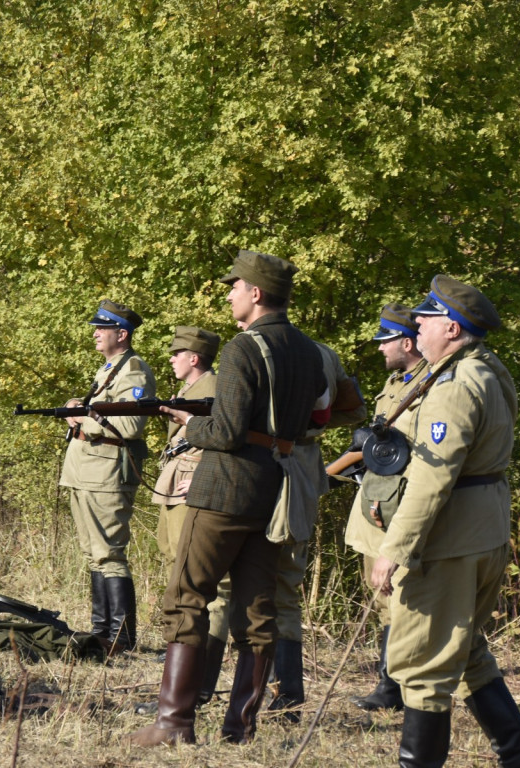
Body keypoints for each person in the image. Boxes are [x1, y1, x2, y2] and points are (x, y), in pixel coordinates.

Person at [127, 249, 326, 747]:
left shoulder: (243, 347)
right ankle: (240, 729)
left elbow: (229, 430)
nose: (230, 294)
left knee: (187, 597)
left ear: (256, 293)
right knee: (258, 610)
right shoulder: (308, 349)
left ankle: (173, 724)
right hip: (275, 489)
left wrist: (189, 422)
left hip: (223, 490)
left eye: (234, 286)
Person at [370, 275, 520, 767]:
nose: (417, 323)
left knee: (421, 666)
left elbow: (432, 479)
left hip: (449, 540)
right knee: (464, 648)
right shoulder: (485, 369)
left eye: (427, 316)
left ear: (451, 327)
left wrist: (394, 549)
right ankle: (519, 757)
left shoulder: (453, 385)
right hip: (482, 529)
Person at [268, 340, 366, 722]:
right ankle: (284, 694)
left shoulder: (262, 347)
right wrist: (311, 430)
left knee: (258, 586)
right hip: (305, 468)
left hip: (272, 470)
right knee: (285, 587)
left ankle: (282, 693)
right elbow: (352, 408)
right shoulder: (325, 352)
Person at [58, 299, 156, 651]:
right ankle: (102, 631)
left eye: (102, 328)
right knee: (92, 553)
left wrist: (85, 417)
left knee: (108, 554)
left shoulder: (133, 370)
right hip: (87, 472)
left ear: (122, 333)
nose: (96, 333)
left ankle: (121, 637)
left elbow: (131, 423)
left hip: (106, 475)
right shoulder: (110, 369)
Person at [344, 303, 427, 712]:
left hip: (403, 507)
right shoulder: (395, 383)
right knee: (381, 599)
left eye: (386, 341)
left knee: (404, 600)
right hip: (377, 502)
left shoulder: (430, 384)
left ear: (406, 342)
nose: (380, 349)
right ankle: (389, 687)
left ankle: (407, 690)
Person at [149, 325, 228, 704]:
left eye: (176, 353)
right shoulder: (188, 392)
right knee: (174, 566)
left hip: (191, 489)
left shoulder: (211, 391)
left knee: (195, 583)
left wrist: (200, 478)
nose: (170, 359)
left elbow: (222, 438)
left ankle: (196, 681)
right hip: (173, 485)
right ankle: (182, 671)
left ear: (194, 358)